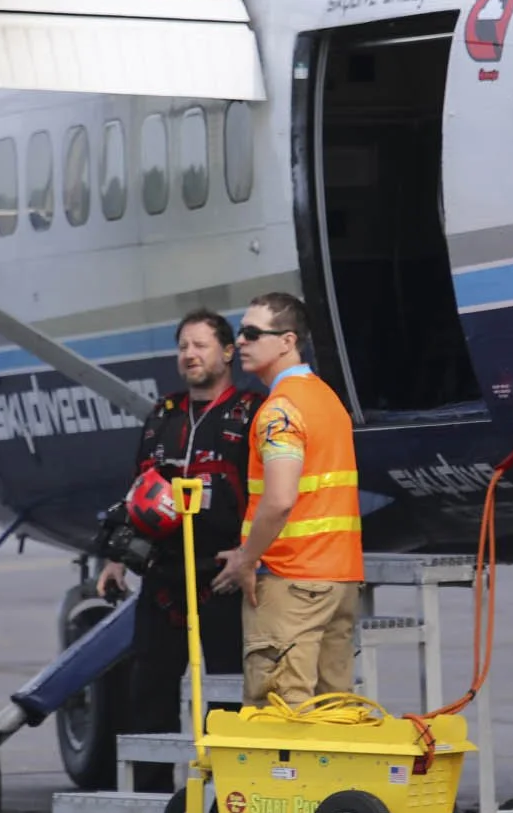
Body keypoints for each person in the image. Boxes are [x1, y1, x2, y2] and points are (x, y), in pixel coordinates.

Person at [97, 310, 260, 774]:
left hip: (224, 576)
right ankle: (151, 808)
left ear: (227, 353)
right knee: (149, 688)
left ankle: (227, 798)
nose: (190, 354)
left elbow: (268, 494)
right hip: (164, 578)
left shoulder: (252, 411)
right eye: (184, 346)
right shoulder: (162, 415)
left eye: (201, 345)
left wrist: (251, 554)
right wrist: (114, 560)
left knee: (229, 692)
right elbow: (137, 490)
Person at [211, 291, 364, 707]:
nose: (240, 341)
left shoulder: (280, 410)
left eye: (252, 333)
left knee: (280, 714)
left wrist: (246, 557)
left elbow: (279, 499)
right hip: (338, 578)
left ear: (287, 341)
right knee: (334, 711)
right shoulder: (327, 400)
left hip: (292, 580)